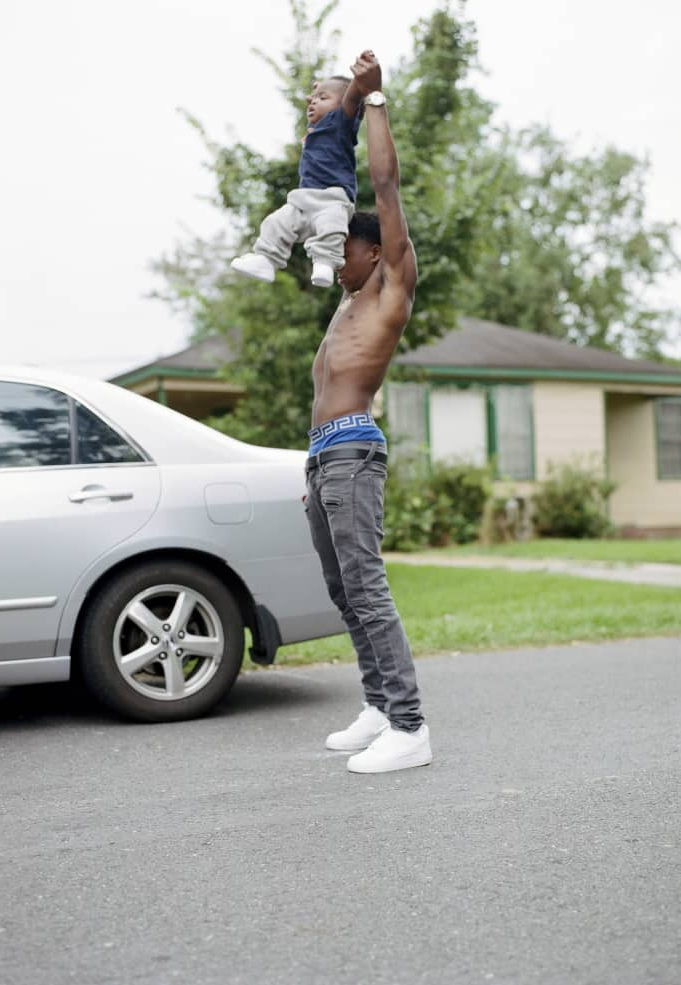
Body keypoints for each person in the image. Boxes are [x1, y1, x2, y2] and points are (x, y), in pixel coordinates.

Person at [304, 50, 431, 774]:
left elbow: (385, 183)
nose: (338, 261)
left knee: (367, 583)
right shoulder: (347, 301)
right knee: (341, 588)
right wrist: (311, 463)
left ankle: (410, 725)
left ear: (373, 248)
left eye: (347, 249)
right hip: (325, 456)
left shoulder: (389, 285)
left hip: (354, 451)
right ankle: (380, 704)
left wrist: (372, 103)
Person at [231, 68, 364, 289]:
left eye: (322, 98)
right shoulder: (317, 127)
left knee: (332, 226)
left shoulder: (341, 122)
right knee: (276, 223)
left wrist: (360, 82)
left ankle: (324, 263)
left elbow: (350, 99)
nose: (312, 103)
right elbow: (321, 101)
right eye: (313, 99)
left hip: (331, 198)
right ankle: (266, 260)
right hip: (303, 201)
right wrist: (322, 93)